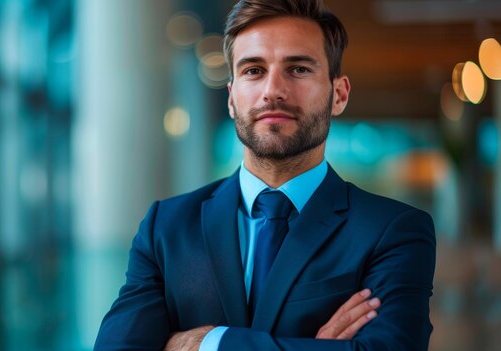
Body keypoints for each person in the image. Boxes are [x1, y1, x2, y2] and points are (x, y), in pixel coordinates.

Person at [94, 0, 436, 350]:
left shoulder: (393, 231)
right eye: (253, 71)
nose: (272, 90)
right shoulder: (166, 227)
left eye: (299, 69)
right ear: (231, 98)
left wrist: (209, 343)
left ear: (339, 94)